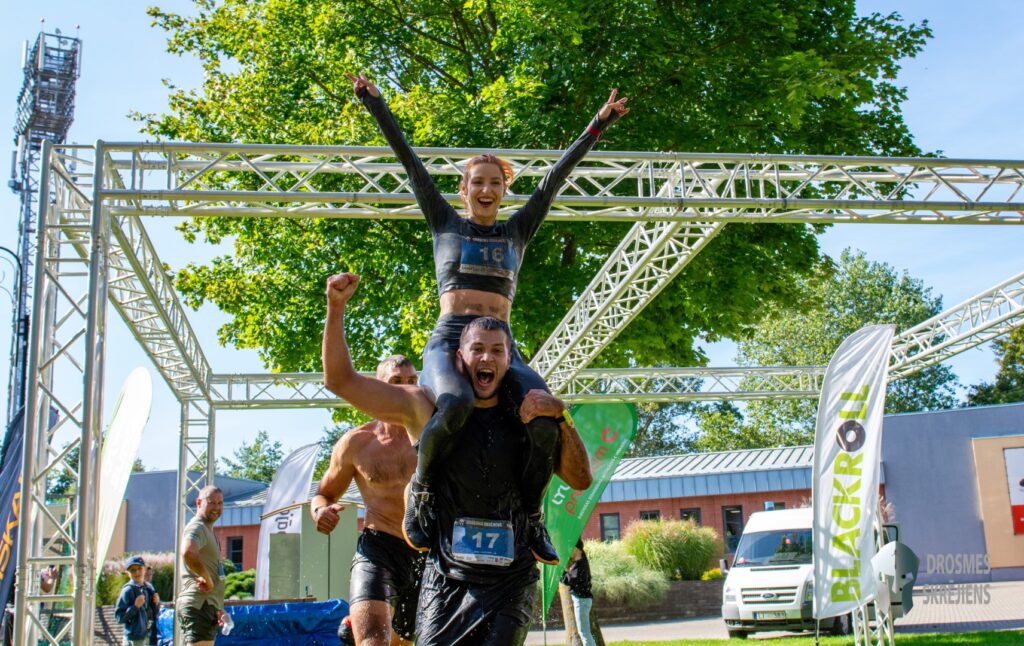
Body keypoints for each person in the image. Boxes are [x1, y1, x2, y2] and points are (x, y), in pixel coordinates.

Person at [346, 72, 628, 558]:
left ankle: (532, 513)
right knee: (452, 404)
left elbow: (553, 181)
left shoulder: (517, 230)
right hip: (451, 338)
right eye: (478, 182)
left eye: (495, 183)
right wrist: (376, 105)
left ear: (503, 191)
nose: (487, 189)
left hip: (500, 341)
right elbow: (410, 164)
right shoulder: (445, 223)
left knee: (541, 409)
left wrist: (596, 126)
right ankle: (425, 493)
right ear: (464, 189)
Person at [323, 272, 593, 645]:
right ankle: (421, 496)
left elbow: (580, 479)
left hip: (511, 574)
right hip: (447, 573)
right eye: (477, 349)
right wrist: (336, 308)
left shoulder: (532, 414)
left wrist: (562, 415)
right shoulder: (428, 406)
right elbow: (341, 381)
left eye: (497, 351)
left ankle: (532, 520)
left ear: (509, 359)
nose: (487, 357)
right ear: (458, 357)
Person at [311, 355, 424, 646]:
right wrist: (321, 511)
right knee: (374, 640)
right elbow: (323, 494)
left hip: (426, 551)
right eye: (396, 382)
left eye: (412, 381)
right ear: (378, 388)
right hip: (378, 547)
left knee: (403, 642)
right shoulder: (357, 442)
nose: (406, 389)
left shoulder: (435, 435)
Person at [178, 486, 228, 646]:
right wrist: (207, 579)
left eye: (220, 503)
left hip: (205, 606)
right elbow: (188, 551)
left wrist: (218, 606)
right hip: (199, 605)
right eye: (211, 502)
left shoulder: (207, 530)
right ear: (198, 502)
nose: (216, 507)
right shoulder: (197, 526)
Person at [114, 555, 160, 646]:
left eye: (139, 568)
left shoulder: (149, 588)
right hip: (134, 638)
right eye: (133, 570)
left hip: (148, 635)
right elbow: (119, 618)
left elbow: (153, 612)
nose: (137, 572)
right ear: (127, 573)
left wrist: (157, 603)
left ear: (145, 569)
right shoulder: (128, 590)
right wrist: (135, 607)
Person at [561, 539, 597, 646]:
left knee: (584, 633)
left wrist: (562, 571)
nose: (569, 550)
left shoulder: (579, 568)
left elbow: (566, 580)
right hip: (584, 601)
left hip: (582, 602)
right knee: (585, 633)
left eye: (570, 548)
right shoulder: (581, 560)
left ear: (577, 549)